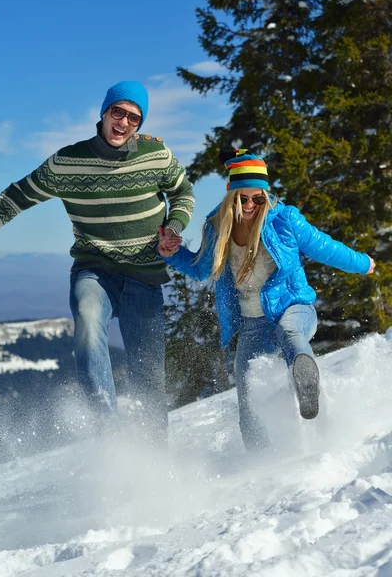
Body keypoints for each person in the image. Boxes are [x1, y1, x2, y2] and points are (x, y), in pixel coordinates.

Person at [0, 80, 194, 443]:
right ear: (104, 112)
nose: (124, 123)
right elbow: (14, 198)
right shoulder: (67, 162)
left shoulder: (156, 156)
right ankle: (109, 437)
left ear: (139, 125)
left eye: (134, 118)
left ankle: (154, 457)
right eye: (118, 112)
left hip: (145, 274)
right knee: (87, 323)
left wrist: (173, 226)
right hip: (94, 267)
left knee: (148, 373)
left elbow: (183, 192)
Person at [158, 148, 376, 452]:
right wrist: (171, 253)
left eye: (257, 198)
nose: (250, 205)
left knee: (290, 332)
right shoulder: (217, 226)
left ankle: (305, 380)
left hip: (294, 307)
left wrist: (362, 264)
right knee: (248, 399)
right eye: (242, 198)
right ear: (231, 195)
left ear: (265, 196)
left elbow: (324, 247)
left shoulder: (283, 220)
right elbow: (201, 269)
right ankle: (259, 462)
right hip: (252, 324)